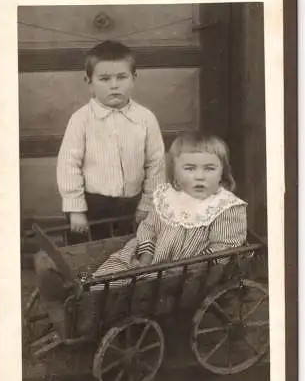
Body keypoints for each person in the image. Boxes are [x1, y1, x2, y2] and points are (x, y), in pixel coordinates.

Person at [92, 132, 247, 281]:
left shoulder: (225, 206)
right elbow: (149, 227)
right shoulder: (168, 197)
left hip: (187, 273)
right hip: (151, 258)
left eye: (209, 168)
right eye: (189, 168)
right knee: (110, 277)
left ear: (222, 172)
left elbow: (223, 249)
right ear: (176, 173)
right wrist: (146, 257)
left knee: (137, 290)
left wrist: (184, 268)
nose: (200, 176)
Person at [56, 40, 166, 240]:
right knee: (90, 255)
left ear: (134, 78)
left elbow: (156, 164)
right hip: (92, 206)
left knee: (129, 252)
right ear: (89, 82)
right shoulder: (81, 119)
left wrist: (148, 204)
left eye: (121, 77)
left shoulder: (145, 118)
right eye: (104, 79)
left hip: (133, 204)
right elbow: (68, 165)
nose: (114, 85)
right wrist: (75, 209)